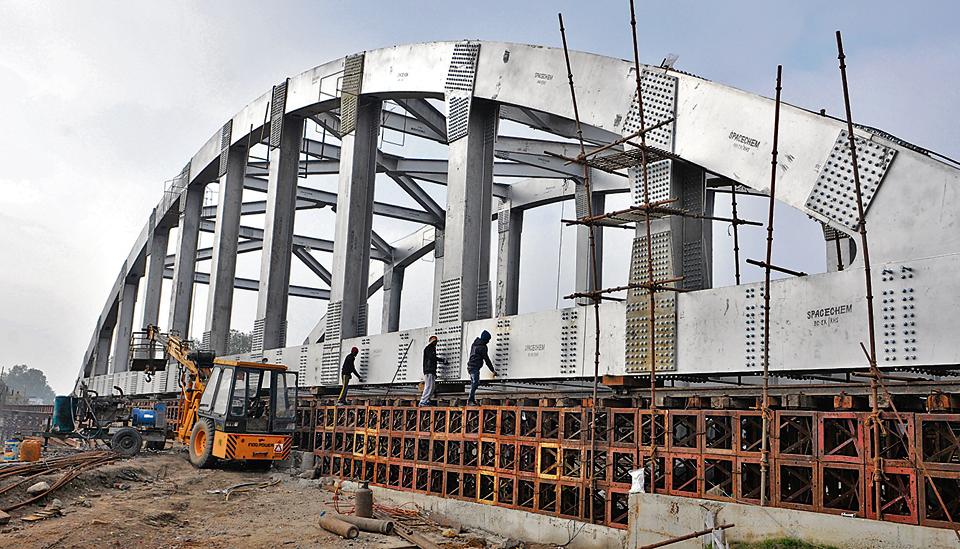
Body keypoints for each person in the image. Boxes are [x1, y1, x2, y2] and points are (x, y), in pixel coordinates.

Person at [466, 330, 496, 405]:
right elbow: (487, 359)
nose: (488, 342)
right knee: (475, 383)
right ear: (485, 339)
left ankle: (471, 400)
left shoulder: (475, 344)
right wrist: (492, 370)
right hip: (474, 367)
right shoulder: (482, 347)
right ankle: (470, 400)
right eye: (488, 340)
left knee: (474, 383)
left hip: (470, 366)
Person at [419, 336, 448, 406]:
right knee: (429, 386)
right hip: (429, 370)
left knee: (431, 386)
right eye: (435, 341)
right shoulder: (429, 348)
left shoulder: (430, 348)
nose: (436, 343)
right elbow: (432, 358)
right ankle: (423, 401)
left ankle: (426, 400)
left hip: (430, 370)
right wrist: (442, 360)